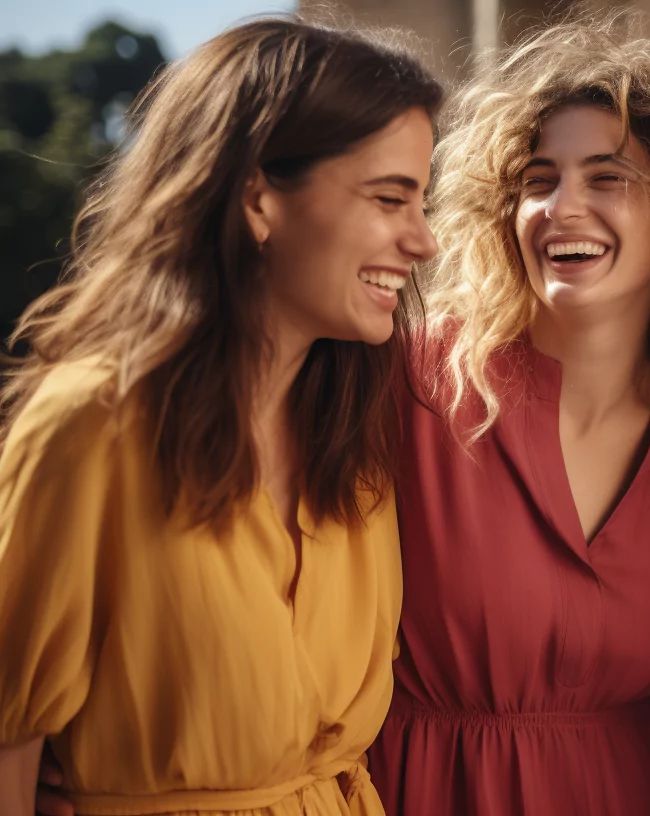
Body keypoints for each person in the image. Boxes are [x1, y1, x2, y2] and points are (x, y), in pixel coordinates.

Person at [0, 17, 440, 816]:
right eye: (389, 198)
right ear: (258, 197)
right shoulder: (90, 429)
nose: (425, 240)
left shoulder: (357, 438)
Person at [365, 12, 650, 815]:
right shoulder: (410, 383)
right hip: (420, 792)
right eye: (539, 180)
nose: (562, 207)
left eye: (607, 178)